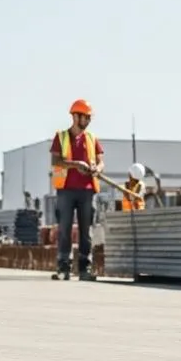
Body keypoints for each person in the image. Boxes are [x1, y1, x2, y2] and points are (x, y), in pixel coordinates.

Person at [49, 99, 104, 282]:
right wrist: (76, 165)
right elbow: (56, 161)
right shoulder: (61, 137)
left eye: (89, 117)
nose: (87, 120)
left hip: (87, 191)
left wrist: (98, 168)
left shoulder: (92, 139)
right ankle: (63, 267)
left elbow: (101, 160)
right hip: (66, 190)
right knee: (64, 229)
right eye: (85, 117)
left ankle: (84, 269)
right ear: (75, 116)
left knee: (86, 231)